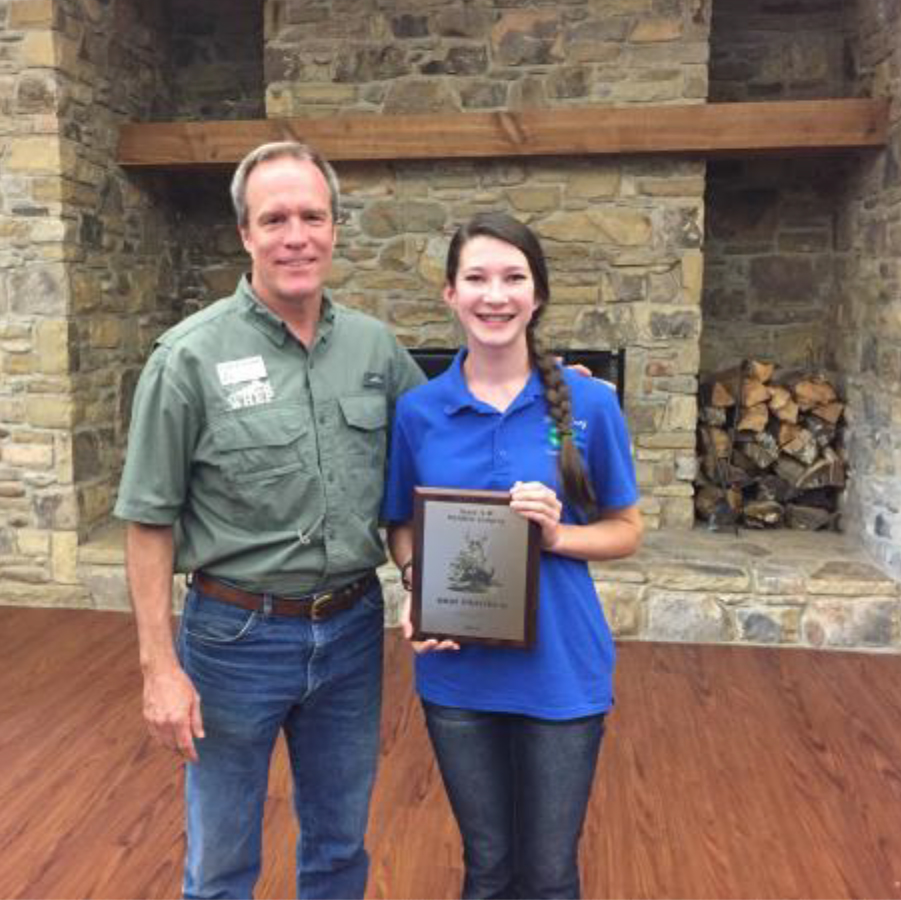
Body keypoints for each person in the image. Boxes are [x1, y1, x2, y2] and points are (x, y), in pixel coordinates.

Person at [114, 141, 424, 899]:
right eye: (274, 218)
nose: (296, 236)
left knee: (339, 849)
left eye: (311, 216)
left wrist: (546, 386)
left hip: (350, 632)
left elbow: (441, 442)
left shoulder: (375, 350)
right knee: (220, 863)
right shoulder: (186, 359)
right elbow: (148, 521)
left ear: (335, 227)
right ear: (245, 234)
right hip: (233, 641)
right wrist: (160, 668)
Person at [382, 212, 643, 900]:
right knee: (488, 865)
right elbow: (401, 526)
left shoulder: (589, 403)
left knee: (550, 874)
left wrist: (558, 537)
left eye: (512, 278)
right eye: (476, 278)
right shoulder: (418, 411)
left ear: (537, 294)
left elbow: (626, 528)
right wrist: (414, 583)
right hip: (457, 676)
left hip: (562, 671)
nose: (493, 295)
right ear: (449, 293)